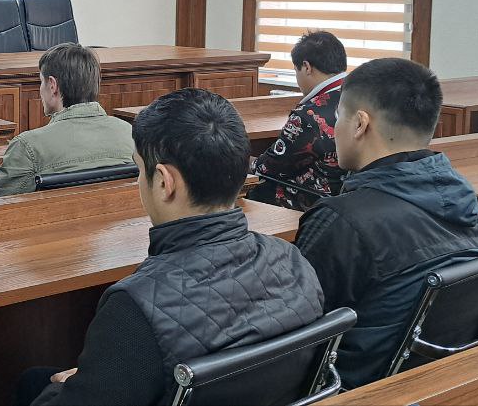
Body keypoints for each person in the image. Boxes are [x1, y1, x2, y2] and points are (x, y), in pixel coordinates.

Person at [17, 88, 325, 406]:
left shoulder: (134, 309)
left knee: (37, 383)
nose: (139, 182)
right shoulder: (294, 262)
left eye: (139, 170)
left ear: (164, 182)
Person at [296, 58, 478, 389]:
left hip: (358, 389)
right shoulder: (469, 205)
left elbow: (297, 335)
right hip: (444, 379)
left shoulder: (342, 222)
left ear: (360, 124)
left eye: (339, 118)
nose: (334, 130)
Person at [0, 43, 135, 199]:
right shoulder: (130, 133)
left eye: (41, 82)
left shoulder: (27, 146)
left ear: (52, 85)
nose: (40, 89)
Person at [248, 30, 347, 211]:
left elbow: (266, 168)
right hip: (352, 196)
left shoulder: (307, 115)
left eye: (296, 71)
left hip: (315, 204)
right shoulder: (362, 96)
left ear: (306, 67)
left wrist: (242, 160)